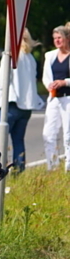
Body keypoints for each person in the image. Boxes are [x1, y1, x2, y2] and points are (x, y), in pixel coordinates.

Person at [0, 29, 45, 172]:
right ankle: (19, 171)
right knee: (18, 140)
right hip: (27, 106)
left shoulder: (10, 56)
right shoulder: (30, 58)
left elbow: (3, 80)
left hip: (11, 103)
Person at [42, 25, 70, 171]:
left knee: (68, 134)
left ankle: (68, 167)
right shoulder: (50, 56)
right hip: (54, 98)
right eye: (55, 38)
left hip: (68, 97)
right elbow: (46, 77)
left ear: (67, 38)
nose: (57, 41)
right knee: (48, 133)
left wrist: (65, 82)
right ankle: (52, 166)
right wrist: (49, 85)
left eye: (60, 38)